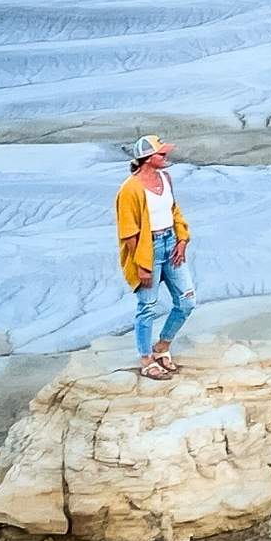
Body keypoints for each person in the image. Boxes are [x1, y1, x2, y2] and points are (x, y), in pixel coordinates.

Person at [116, 134, 195, 380]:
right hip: (147, 248)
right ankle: (146, 359)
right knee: (147, 306)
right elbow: (129, 231)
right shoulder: (130, 189)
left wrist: (182, 239)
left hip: (170, 242)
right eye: (161, 154)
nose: (166, 157)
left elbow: (174, 210)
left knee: (186, 301)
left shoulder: (166, 178)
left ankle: (162, 347)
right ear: (148, 158)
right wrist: (142, 265)